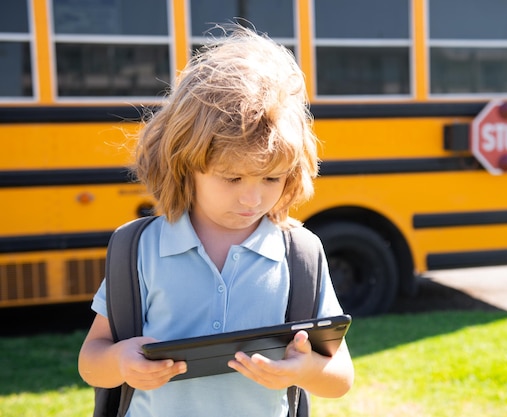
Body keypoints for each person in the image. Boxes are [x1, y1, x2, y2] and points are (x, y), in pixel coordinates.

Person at [78, 25, 354, 417]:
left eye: (272, 178)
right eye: (232, 177)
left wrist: (304, 369)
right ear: (184, 165)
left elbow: (340, 376)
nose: (252, 197)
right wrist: (122, 362)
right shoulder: (140, 249)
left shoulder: (299, 254)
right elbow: (92, 361)